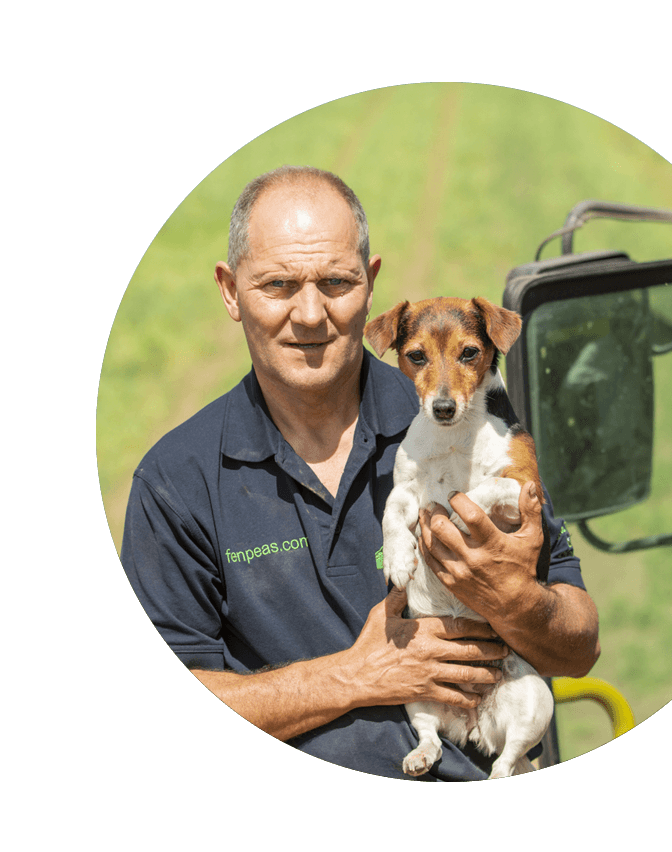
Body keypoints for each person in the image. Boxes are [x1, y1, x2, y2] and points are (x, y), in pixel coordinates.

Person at [121, 165, 599, 779]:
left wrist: (518, 602)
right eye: (277, 284)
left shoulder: (465, 424)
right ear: (230, 289)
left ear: (371, 285)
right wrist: (352, 676)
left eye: (337, 282)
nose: (312, 313)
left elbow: (579, 645)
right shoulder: (177, 481)